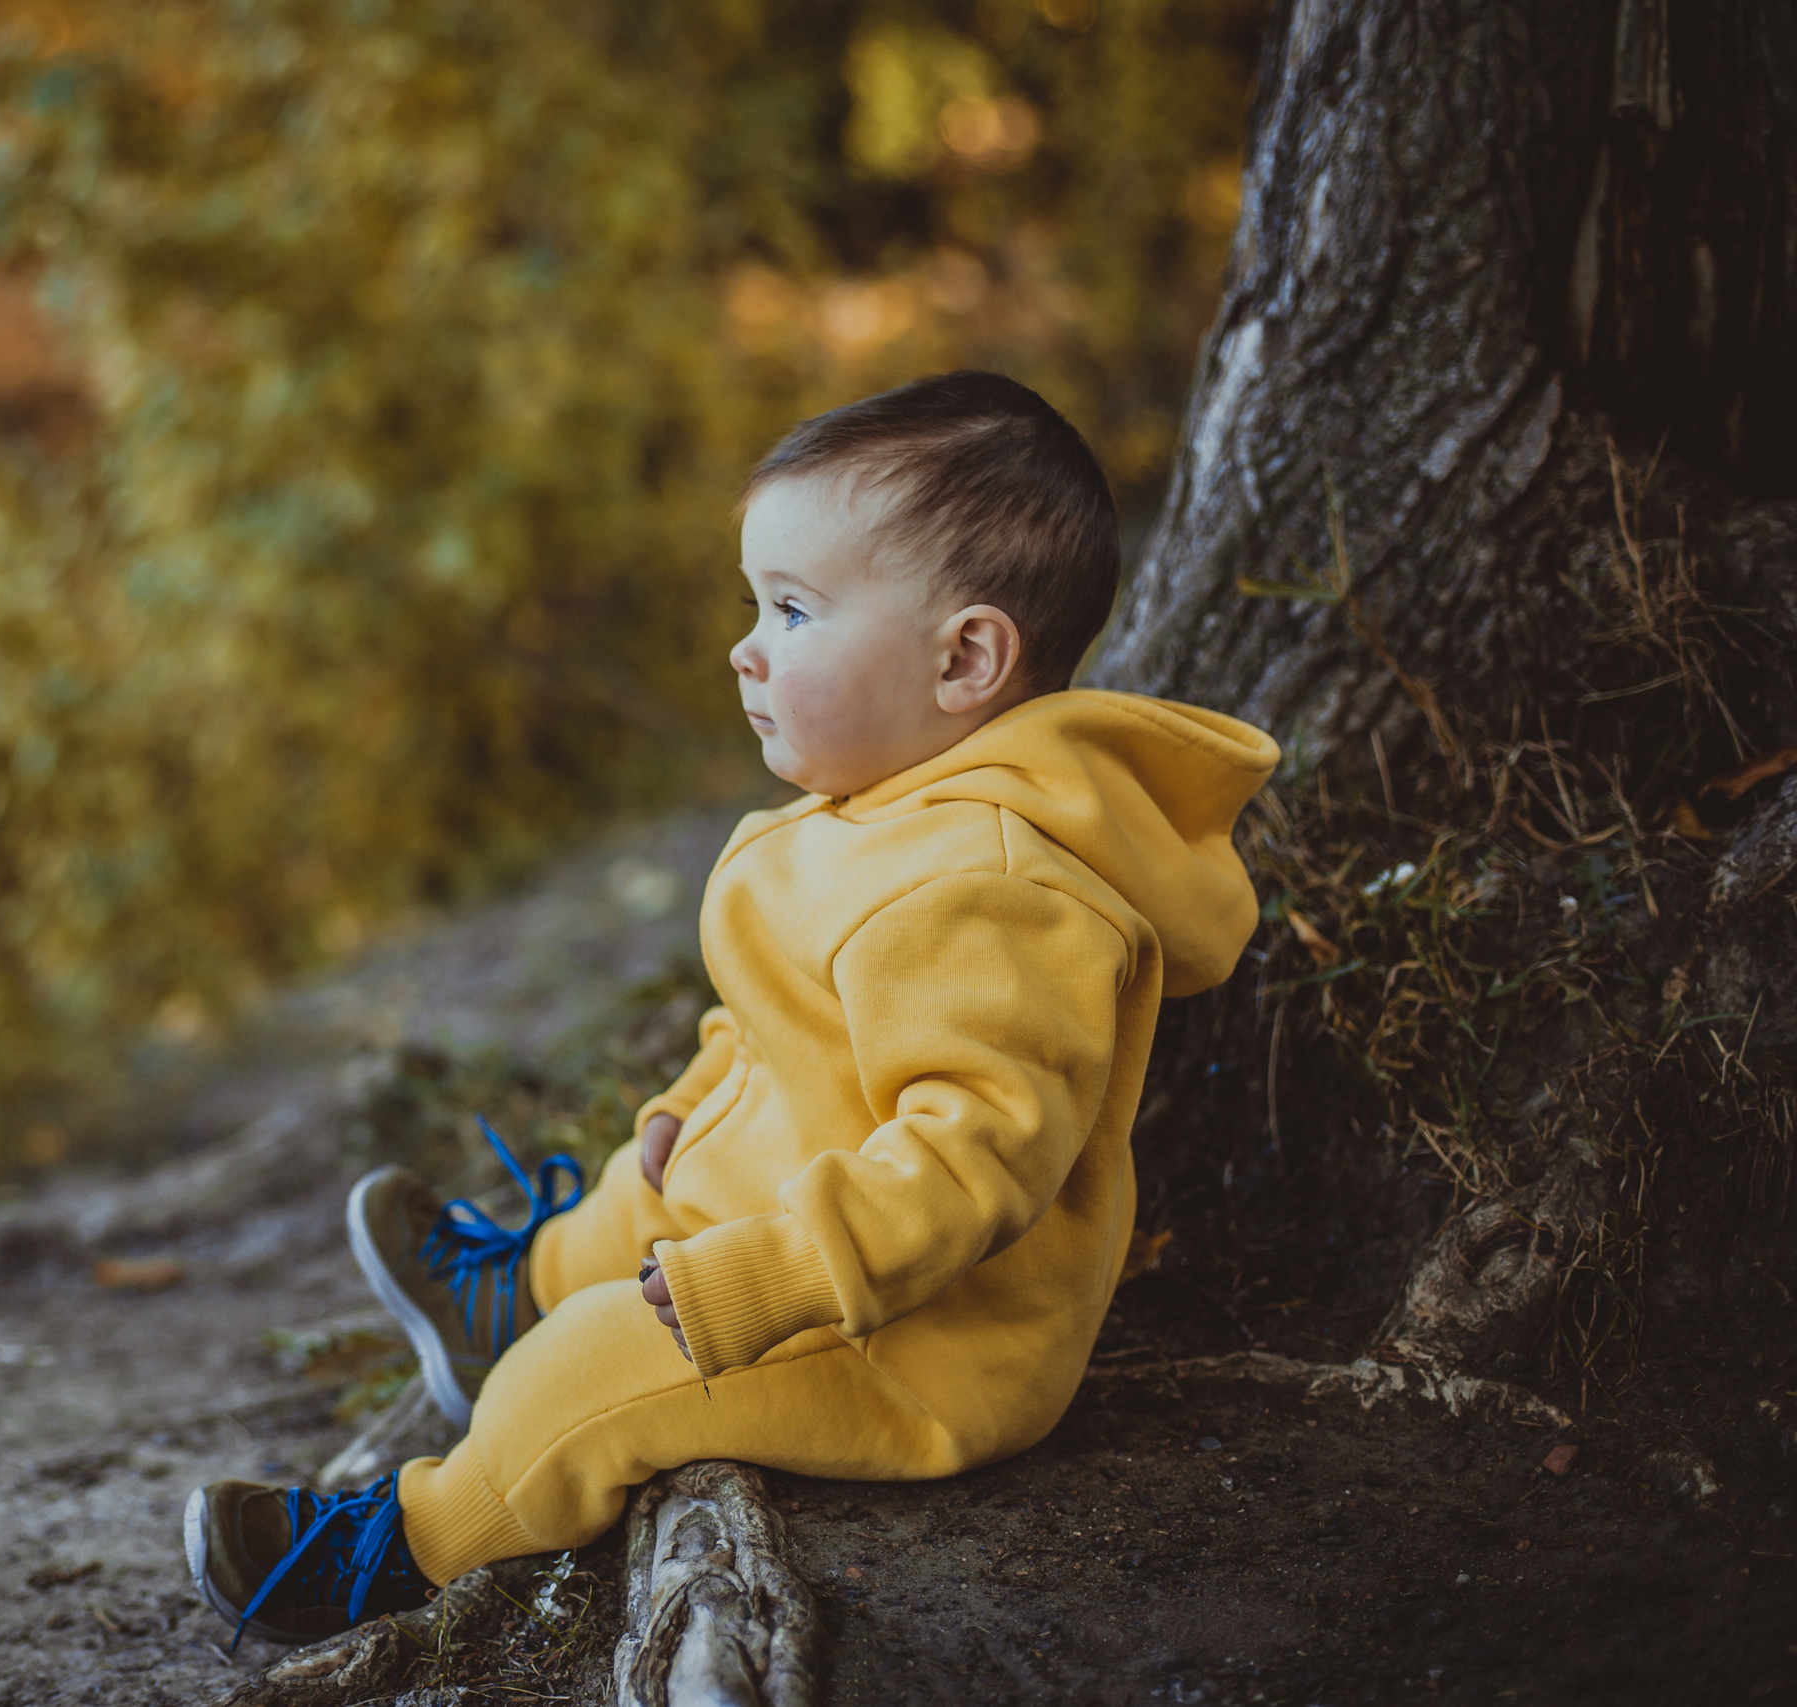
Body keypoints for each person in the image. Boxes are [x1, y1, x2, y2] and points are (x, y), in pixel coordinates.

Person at [183, 371, 1279, 1646]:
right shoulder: (876, 807)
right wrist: (693, 1103)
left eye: (793, 611)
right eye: (754, 604)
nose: (744, 648)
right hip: (793, 1211)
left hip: (908, 1335)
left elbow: (973, 1162)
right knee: (641, 1185)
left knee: (595, 1369)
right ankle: (510, 1296)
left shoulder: (992, 892)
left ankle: (405, 1544)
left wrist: (771, 1276)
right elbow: (777, 1021)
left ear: (965, 658)